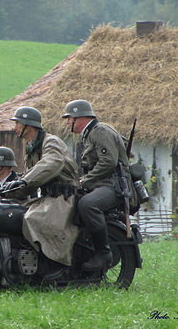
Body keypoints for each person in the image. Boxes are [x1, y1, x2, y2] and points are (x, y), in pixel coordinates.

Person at [5, 106, 81, 279]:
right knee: (14, 210)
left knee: (34, 217)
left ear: (28, 125)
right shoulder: (32, 148)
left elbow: (50, 163)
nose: (14, 127)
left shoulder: (51, 142)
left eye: (17, 123)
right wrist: (8, 191)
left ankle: (57, 263)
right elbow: (30, 181)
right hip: (49, 197)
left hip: (65, 197)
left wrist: (23, 181)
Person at [62, 99, 131, 271]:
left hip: (113, 186)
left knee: (88, 204)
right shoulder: (91, 133)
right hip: (103, 185)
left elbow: (108, 161)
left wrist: (84, 181)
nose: (67, 122)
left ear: (80, 117)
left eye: (69, 118)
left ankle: (103, 252)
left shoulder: (99, 131)